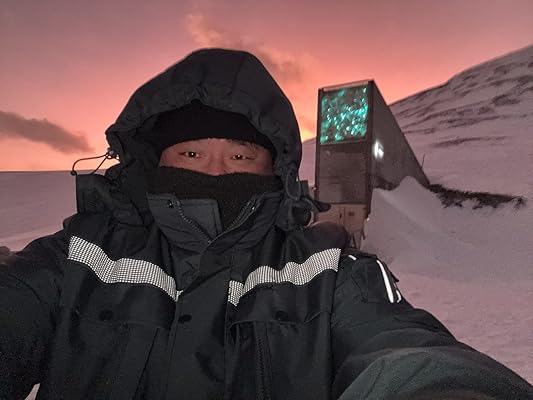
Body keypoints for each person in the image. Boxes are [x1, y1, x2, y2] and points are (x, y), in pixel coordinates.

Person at [0, 48, 531, 400]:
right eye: (190, 153)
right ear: (155, 161)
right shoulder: (79, 255)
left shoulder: (327, 271)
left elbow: (402, 348)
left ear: (272, 168)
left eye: (239, 157)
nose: (214, 172)